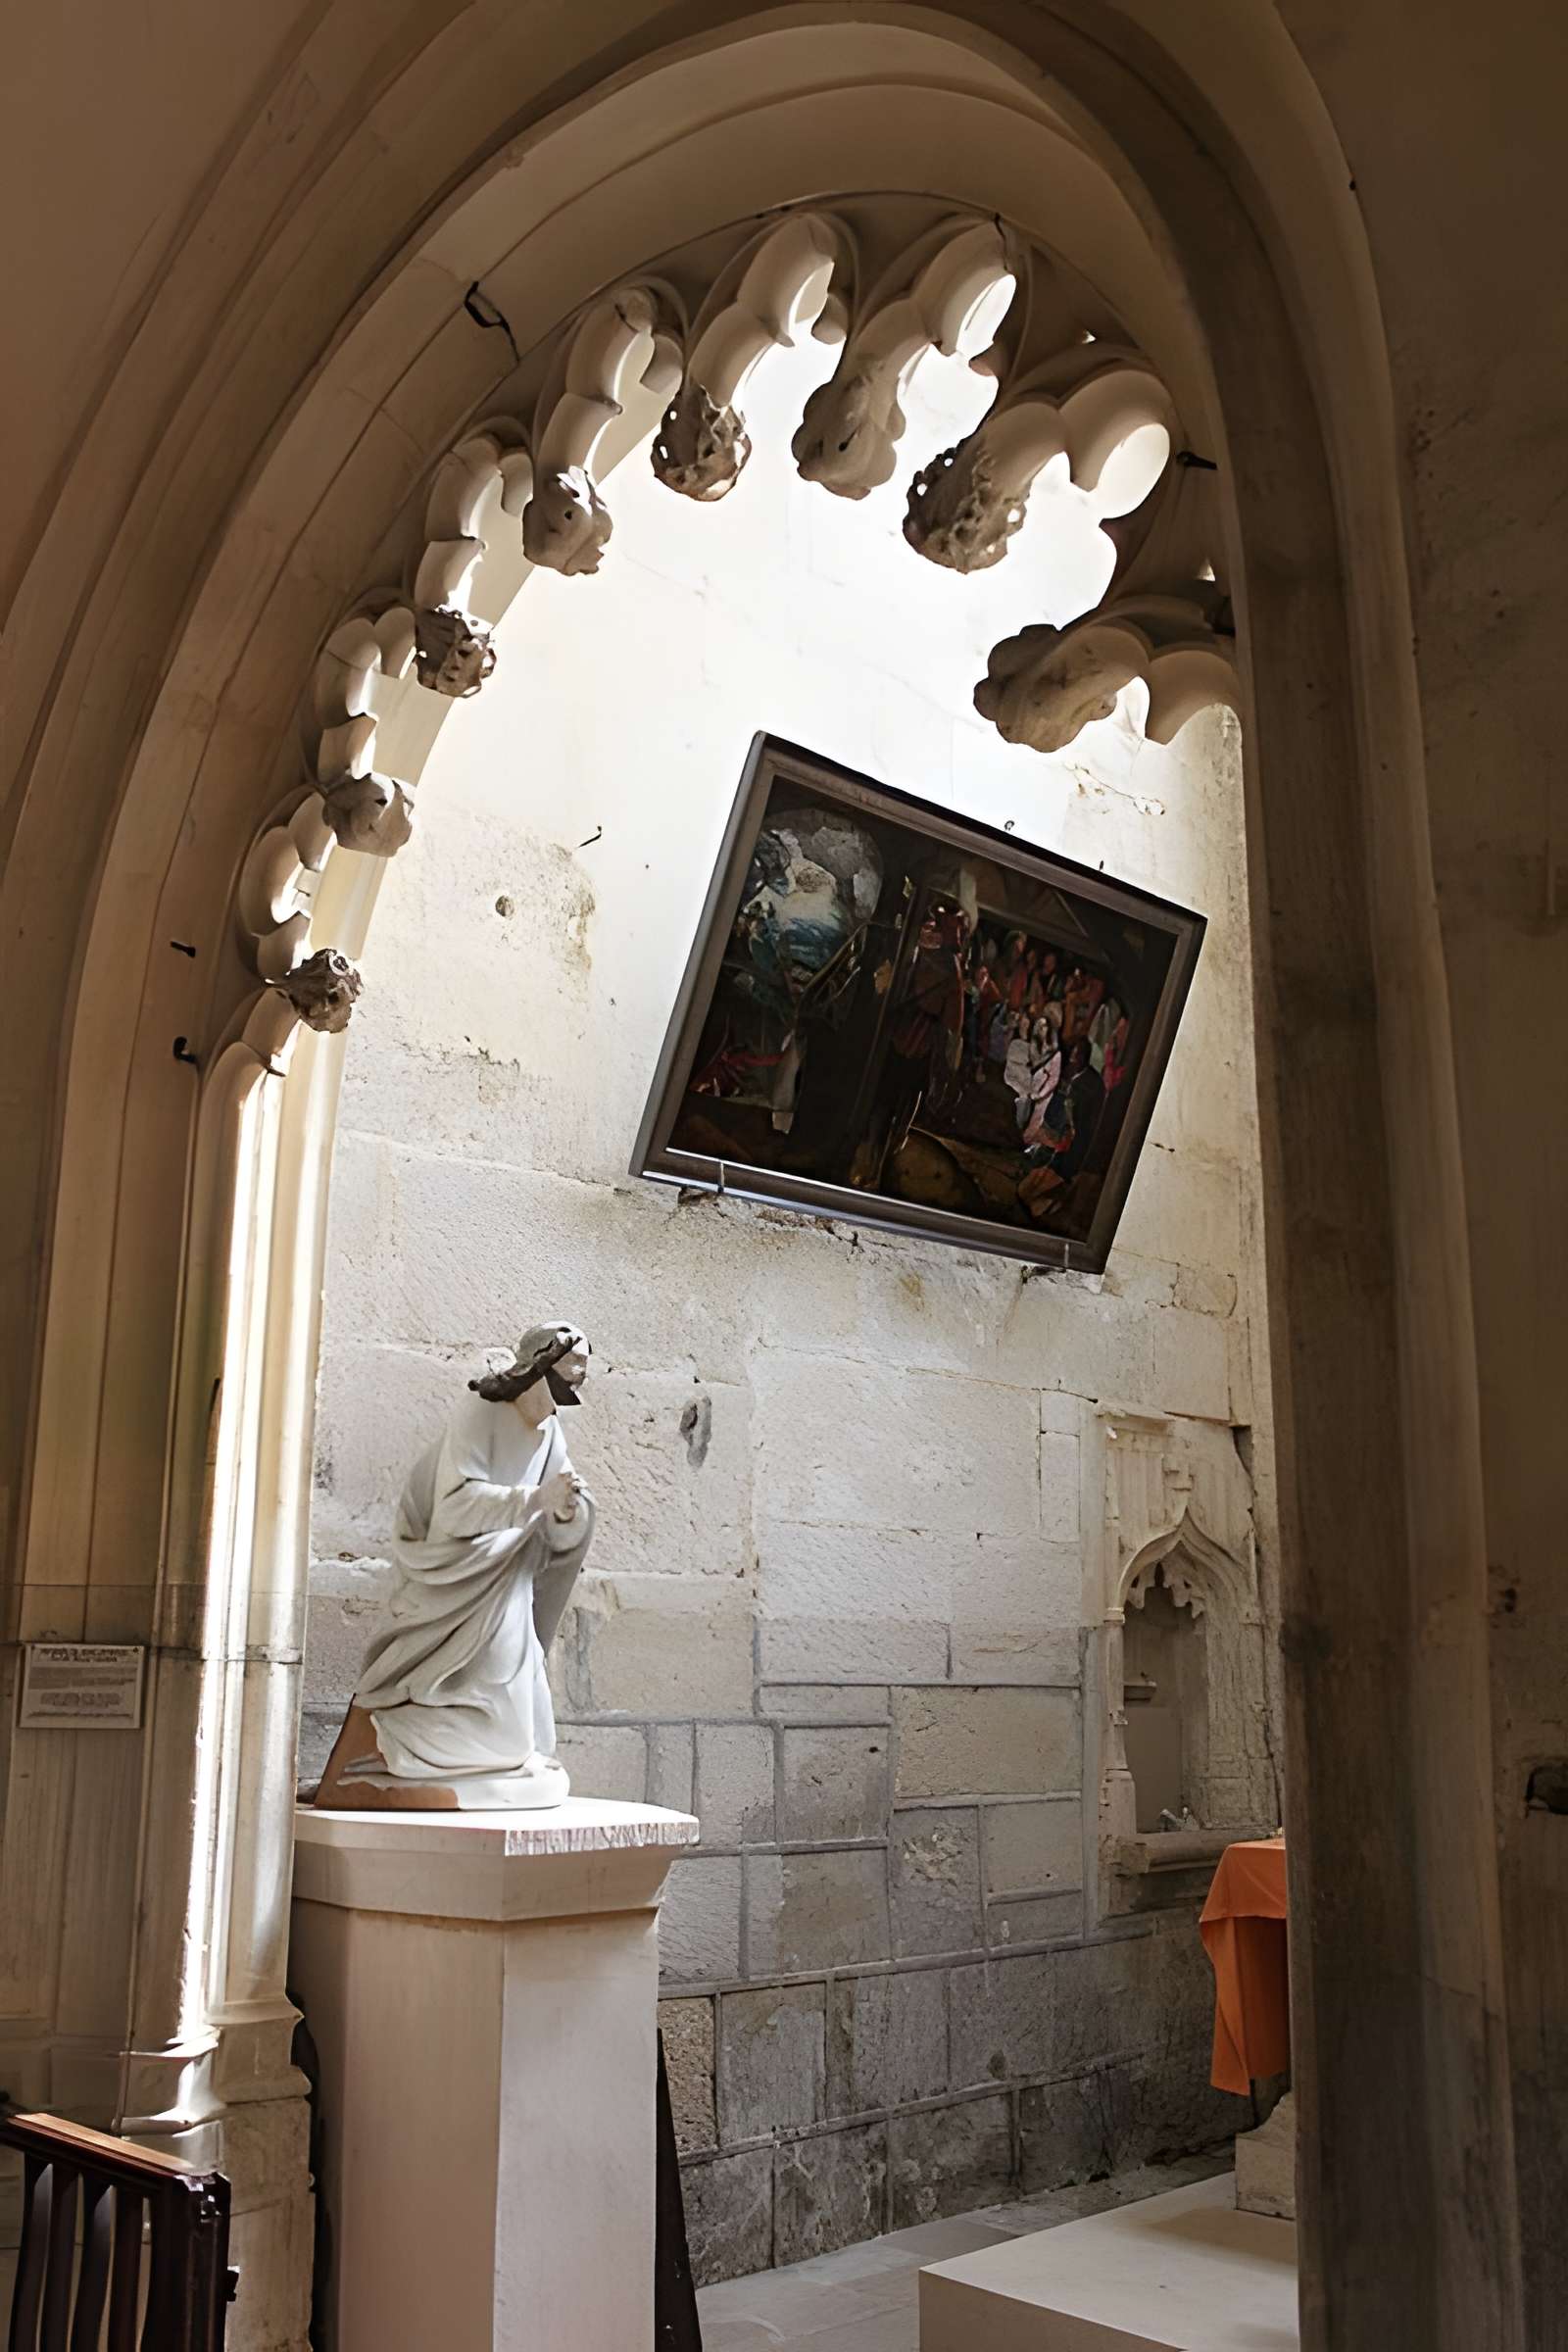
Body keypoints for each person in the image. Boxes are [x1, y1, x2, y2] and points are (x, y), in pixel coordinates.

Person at [313, 1322, 596, 1810]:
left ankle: (440, 1761)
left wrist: (570, 1509)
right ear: (538, 1370)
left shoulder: (551, 1432)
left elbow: (559, 1499)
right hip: (450, 1565)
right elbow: (454, 1509)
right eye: (565, 1383)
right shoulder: (480, 1411)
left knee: (519, 1730)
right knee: (467, 1700)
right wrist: (534, 1500)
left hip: (505, 1574)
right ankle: (385, 1748)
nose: (565, 1399)